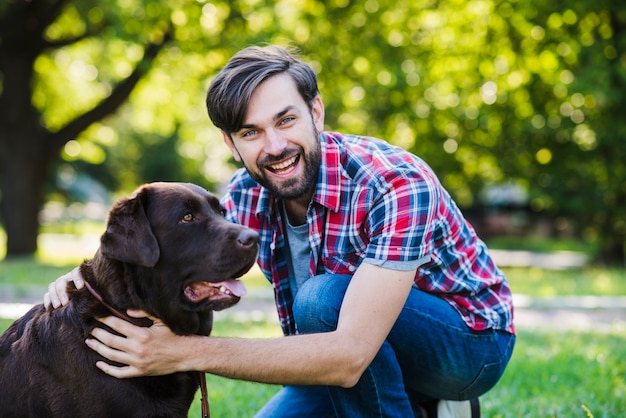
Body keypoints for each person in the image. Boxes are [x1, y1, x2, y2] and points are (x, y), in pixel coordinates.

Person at [46, 45, 515, 417]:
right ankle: (419, 407)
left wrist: (185, 352)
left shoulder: (394, 183)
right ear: (231, 144)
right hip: (349, 355)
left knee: (321, 299)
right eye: (251, 133)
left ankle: (432, 396)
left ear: (317, 111)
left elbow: (349, 353)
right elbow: (172, 244)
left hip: (468, 347)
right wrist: (83, 276)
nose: (274, 147)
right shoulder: (247, 193)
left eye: (286, 120)